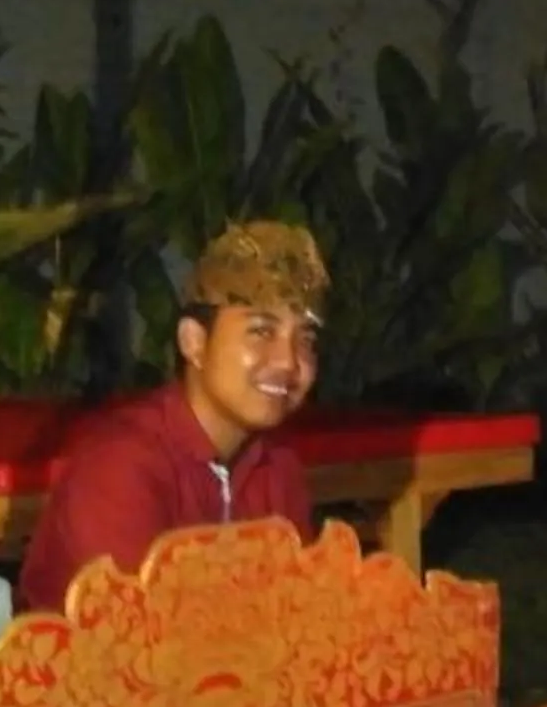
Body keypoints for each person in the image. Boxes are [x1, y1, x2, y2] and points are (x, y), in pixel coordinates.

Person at [16, 220, 327, 612]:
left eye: (306, 340)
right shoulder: (121, 465)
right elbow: (136, 638)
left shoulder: (278, 467)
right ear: (193, 342)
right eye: (261, 332)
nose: (288, 361)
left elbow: (301, 619)